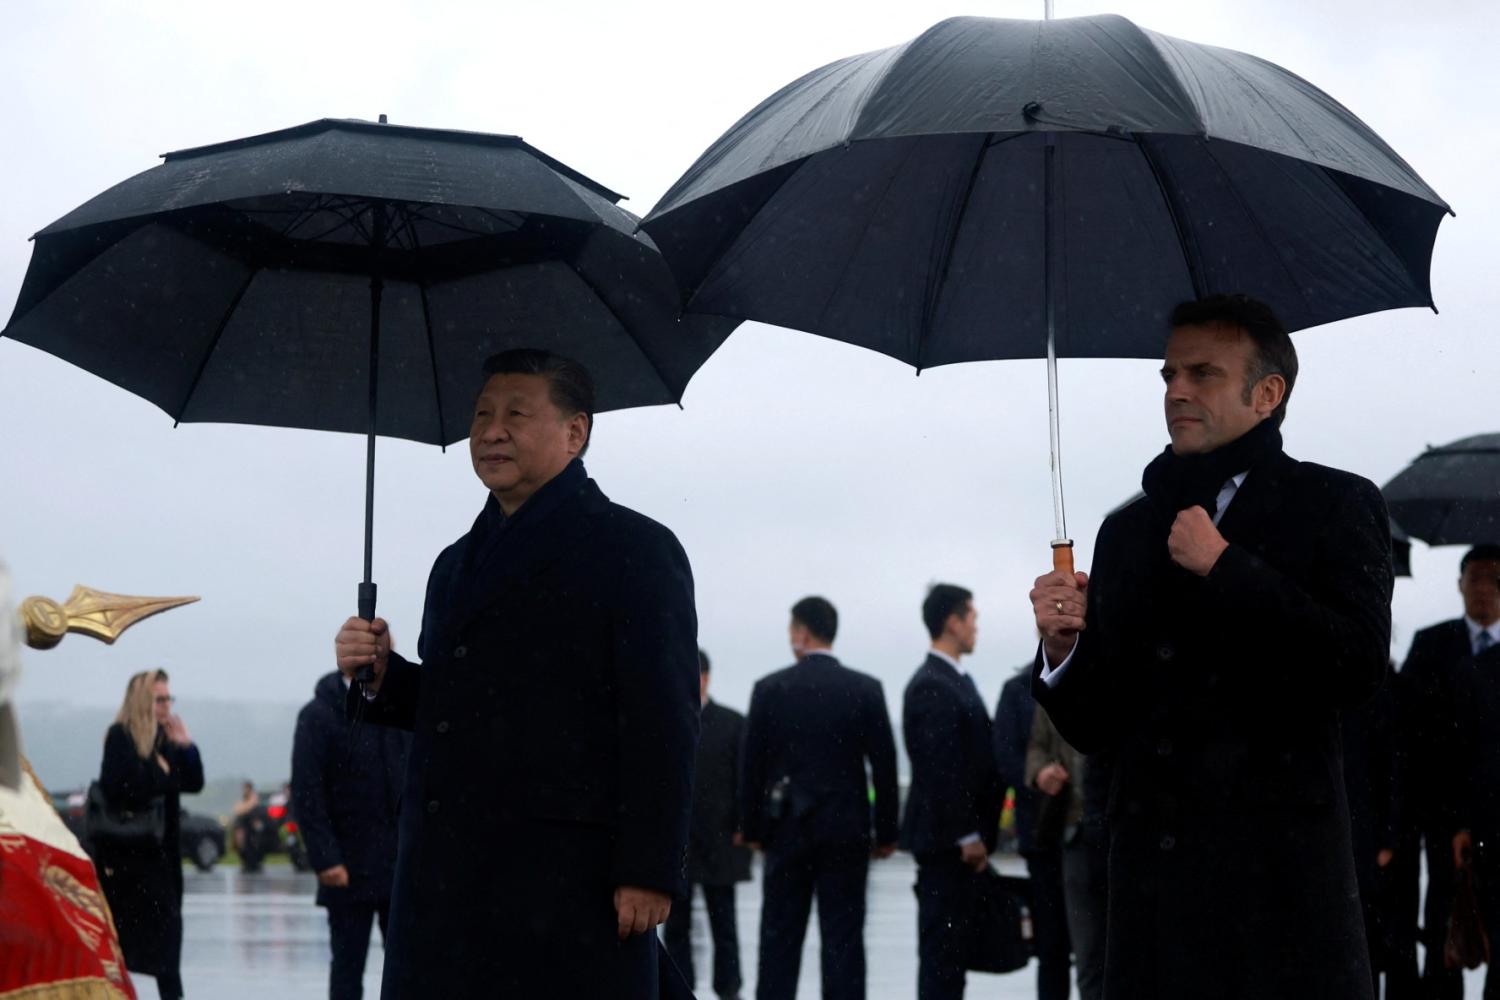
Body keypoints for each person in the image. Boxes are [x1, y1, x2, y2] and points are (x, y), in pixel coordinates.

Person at [1029, 293, 1392, 1000]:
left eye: (1203, 374)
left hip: (1281, 886)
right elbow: (1099, 723)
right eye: (1168, 376)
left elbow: (1356, 667)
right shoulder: (1127, 531)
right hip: (1154, 894)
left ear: (1267, 393)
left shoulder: (1337, 504)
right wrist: (1060, 650)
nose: (1177, 392)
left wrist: (1229, 568)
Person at [333, 348, 699, 999]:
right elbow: (459, 707)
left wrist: (648, 869)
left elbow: (662, 720)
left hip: (564, 881)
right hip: (444, 884)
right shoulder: (452, 565)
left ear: (575, 432)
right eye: (480, 415)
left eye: (515, 414)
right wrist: (383, 675)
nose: (490, 431)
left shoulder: (634, 550)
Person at [740, 596, 899, 1000]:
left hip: (787, 828)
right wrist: (886, 833)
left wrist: (752, 828)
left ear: (801, 632)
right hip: (846, 830)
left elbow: (751, 769)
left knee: (779, 939)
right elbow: (884, 767)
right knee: (843, 940)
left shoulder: (769, 689)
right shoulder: (865, 689)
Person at [1396, 543, 1500, 1000]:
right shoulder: (1432, 646)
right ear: (1459, 584)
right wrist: (1451, 817)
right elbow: (1414, 739)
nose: (1483, 588)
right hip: (1443, 821)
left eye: (1494, 577)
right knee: (1445, 937)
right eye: (1474, 576)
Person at [898, 584, 1002, 1000]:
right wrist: (967, 835)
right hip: (948, 844)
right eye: (972, 618)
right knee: (943, 957)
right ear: (952, 622)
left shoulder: (955, 680)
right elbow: (941, 770)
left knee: (954, 954)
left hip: (956, 844)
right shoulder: (932, 684)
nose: (976, 627)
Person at [291, 670, 410, 1000]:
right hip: (346, 867)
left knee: (408, 969)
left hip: (398, 865)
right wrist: (326, 858)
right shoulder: (318, 715)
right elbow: (307, 792)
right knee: (347, 969)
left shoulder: (398, 707)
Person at [94, 668, 205, 1000]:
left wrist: (186, 747)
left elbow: (193, 782)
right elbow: (124, 788)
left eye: (169, 698)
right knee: (121, 951)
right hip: (128, 863)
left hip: (164, 858)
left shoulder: (164, 739)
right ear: (143, 700)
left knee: (168, 954)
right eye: (160, 698)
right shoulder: (120, 737)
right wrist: (163, 774)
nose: (166, 705)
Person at [663, 649, 751, 1000]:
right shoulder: (668, 719)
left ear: (707, 677)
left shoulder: (732, 723)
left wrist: (743, 825)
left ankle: (728, 988)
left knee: (723, 920)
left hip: (720, 837)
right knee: (676, 923)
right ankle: (681, 987)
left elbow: (744, 779)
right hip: (680, 839)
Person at [994, 666, 1071, 1000]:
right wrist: (1038, 778)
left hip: (1086, 833)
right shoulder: (1017, 689)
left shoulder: (1019, 689)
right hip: (1043, 836)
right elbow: (1005, 757)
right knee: (1052, 946)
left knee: (1096, 943)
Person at [1026, 705, 1109, 1000]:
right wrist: (1041, 771)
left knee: (1125, 950)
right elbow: (1036, 746)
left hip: (1123, 831)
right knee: (1088, 952)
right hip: (1078, 832)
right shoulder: (1062, 681)